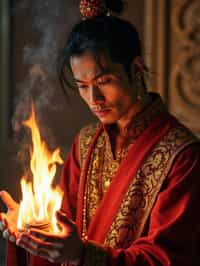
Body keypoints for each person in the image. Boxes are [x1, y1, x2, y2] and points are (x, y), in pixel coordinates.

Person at [0, 0, 200, 265]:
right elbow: (59, 229)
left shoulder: (183, 156)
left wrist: (83, 255)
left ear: (136, 69)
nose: (94, 98)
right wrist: (30, 227)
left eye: (103, 81)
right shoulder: (86, 143)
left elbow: (166, 258)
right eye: (82, 85)